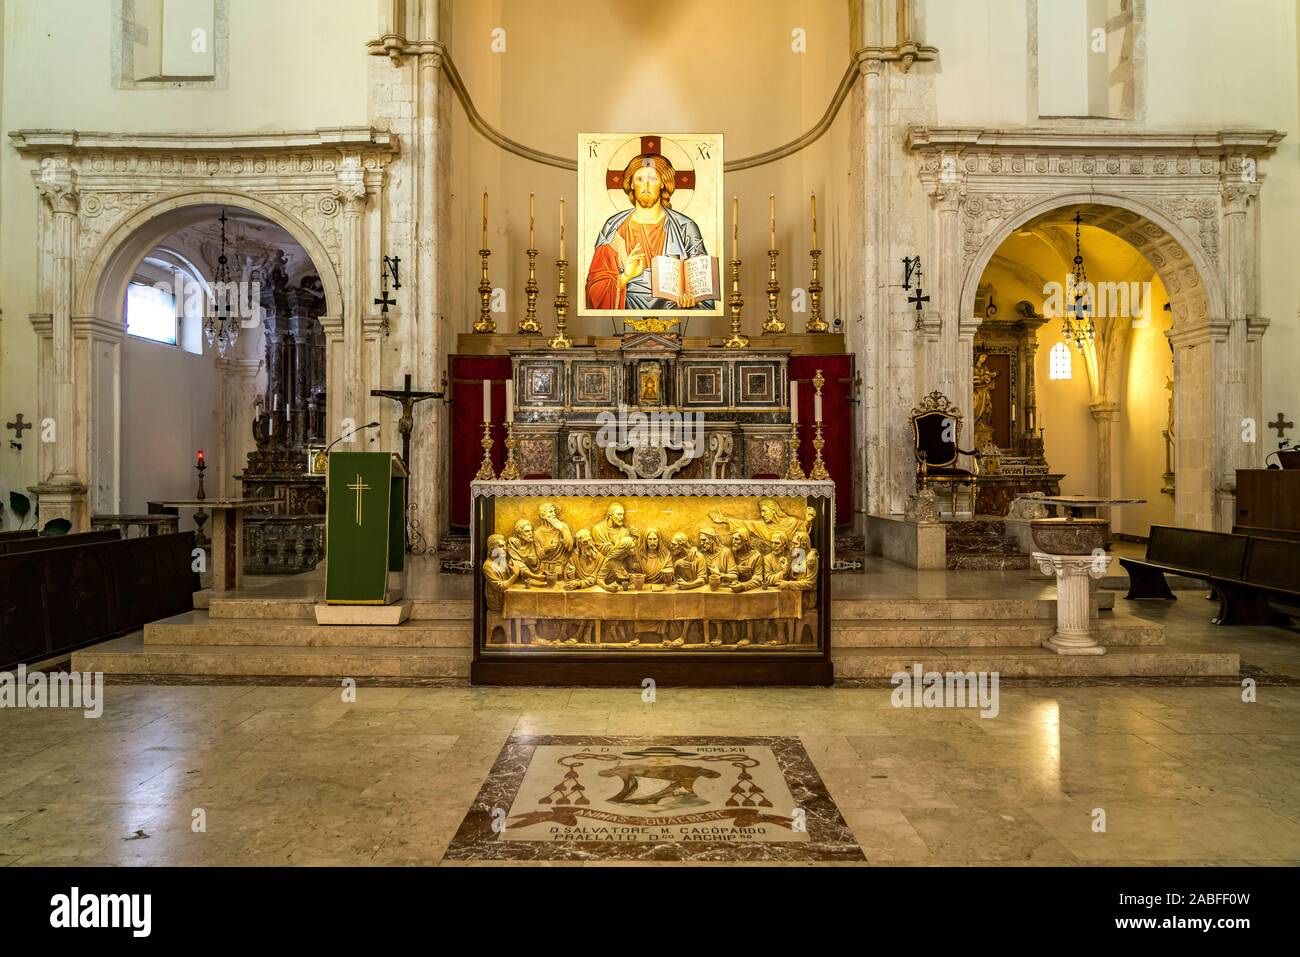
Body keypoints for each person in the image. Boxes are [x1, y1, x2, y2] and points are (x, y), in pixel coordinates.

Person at [584, 152, 715, 312]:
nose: (646, 187)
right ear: (631, 183)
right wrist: (626, 276)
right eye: (640, 179)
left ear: (662, 183)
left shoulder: (685, 227)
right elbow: (594, 289)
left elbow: (702, 285)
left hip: (672, 312)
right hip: (627, 311)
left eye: (653, 179)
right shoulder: (614, 228)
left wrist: (691, 298)